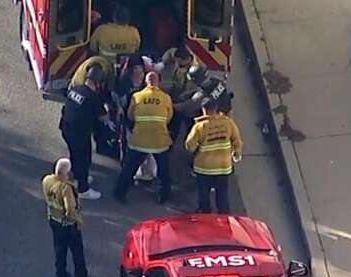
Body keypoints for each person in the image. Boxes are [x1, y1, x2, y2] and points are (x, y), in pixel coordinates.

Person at [113, 71, 173, 204]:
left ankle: (120, 193)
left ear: (145, 82)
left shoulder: (137, 96)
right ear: (158, 82)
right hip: (159, 140)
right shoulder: (166, 98)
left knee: (129, 168)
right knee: (164, 170)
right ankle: (164, 195)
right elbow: (169, 118)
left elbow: (130, 116)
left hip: (140, 139)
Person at [42, 158, 99, 277]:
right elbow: (70, 210)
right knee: (77, 251)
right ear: (67, 173)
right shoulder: (65, 188)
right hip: (67, 225)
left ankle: (61, 276)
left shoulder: (47, 180)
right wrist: (79, 221)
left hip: (53, 220)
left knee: (59, 250)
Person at [185, 98, 243, 213]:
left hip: (204, 168)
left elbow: (189, 145)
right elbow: (237, 141)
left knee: (204, 195)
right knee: (222, 196)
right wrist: (236, 153)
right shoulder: (228, 123)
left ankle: (205, 214)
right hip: (223, 167)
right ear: (216, 108)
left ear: (203, 109)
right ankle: (224, 216)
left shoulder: (200, 126)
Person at [59, 65, 109, 200]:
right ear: (98, 83)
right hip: (79, 133)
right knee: (84, 159)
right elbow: (104, 117)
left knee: (75, 155)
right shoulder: (93, 98)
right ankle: (83, 188)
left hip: (66, 128)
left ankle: (76, 175)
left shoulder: (76, 89)